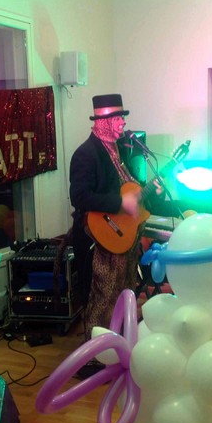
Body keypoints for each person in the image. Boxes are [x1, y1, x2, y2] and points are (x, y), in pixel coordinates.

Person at [69, 94, 162, 377]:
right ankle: (93, 358)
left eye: (122, 118)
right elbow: (79, 196)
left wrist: (152, 190)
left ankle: (116, 346)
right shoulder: (86, 153)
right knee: (103, 295)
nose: (123, 123)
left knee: (124, 289)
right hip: (100, 238)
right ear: (104, 122)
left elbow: (130, 189)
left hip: (124, 237)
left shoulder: (119, 151)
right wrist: (119, 203)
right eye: (118, 118)